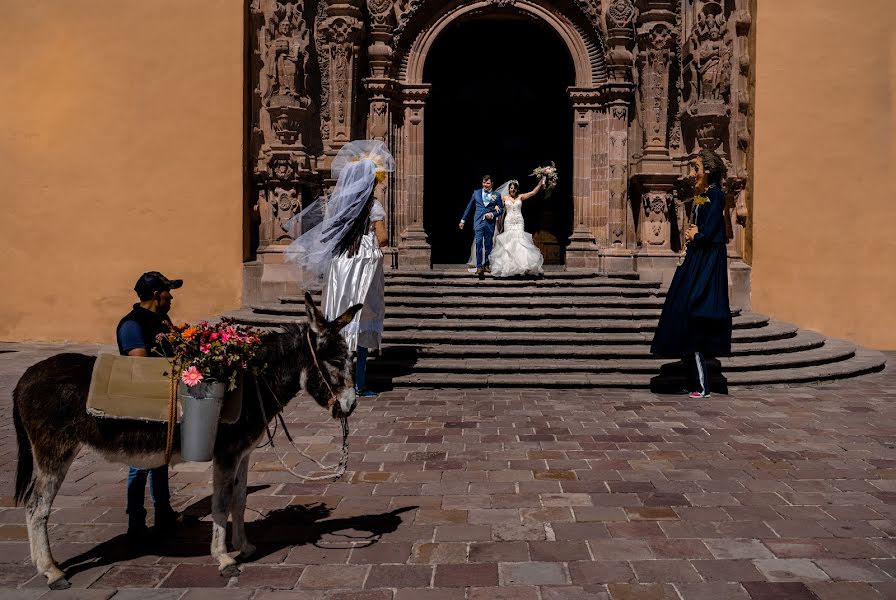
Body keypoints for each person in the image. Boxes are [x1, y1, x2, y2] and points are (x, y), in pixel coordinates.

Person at [286, 140, 393, 397]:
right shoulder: (373, 206)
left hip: (342, 264)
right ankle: (358, 383)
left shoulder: (340, 206)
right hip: (364, 264)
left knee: (341, 319)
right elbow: (383, 238)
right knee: (364, 315)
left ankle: (334, 381)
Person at [650, 149, 732, 397]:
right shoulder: (702, 195)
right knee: (682, 309)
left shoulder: (716, 195)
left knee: (693, 309)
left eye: (695, 168)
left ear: (707, 170)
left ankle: (702, 385)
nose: (692, 173)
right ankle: (694, 380)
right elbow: (696, 218)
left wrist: (697, 235)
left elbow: (712, 229)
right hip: (696, 256)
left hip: (706, 258)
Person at [116, 271, 183, 540]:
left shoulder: (161, 320)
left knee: (160, 456)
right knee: (140, 461)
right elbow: (140, 364)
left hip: (162, 399)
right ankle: (136, 519)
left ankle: (163, 510)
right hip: (141, 401)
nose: (172, 297)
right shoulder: (132, 324)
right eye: (168, 293)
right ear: (156, 295)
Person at [488, 178, 546, 277]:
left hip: (519, 221)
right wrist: (495, 207)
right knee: (509, 242)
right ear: (509, 189)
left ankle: (522, 266)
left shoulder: (520, 197)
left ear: (517, 189)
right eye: (511, 188)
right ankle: (508, 267)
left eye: (514, 188)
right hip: (509, 221)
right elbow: (498, 207)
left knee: (520, 241)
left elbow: (533, 192)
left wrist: (540, 184)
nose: (512, 190)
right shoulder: (504, 198)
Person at [459, 175, 504, 279]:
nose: (485, 185)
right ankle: (479, 267)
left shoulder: (496, 195)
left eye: (487, 183)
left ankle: (487, 265)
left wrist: (492, 214)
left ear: (492, 184)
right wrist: (463, 220)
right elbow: (469, 207)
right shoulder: (476, 193)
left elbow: (501, 210)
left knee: (488, 244)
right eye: (484, 182)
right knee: (479, 242)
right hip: (478, 221)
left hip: (490, 223)